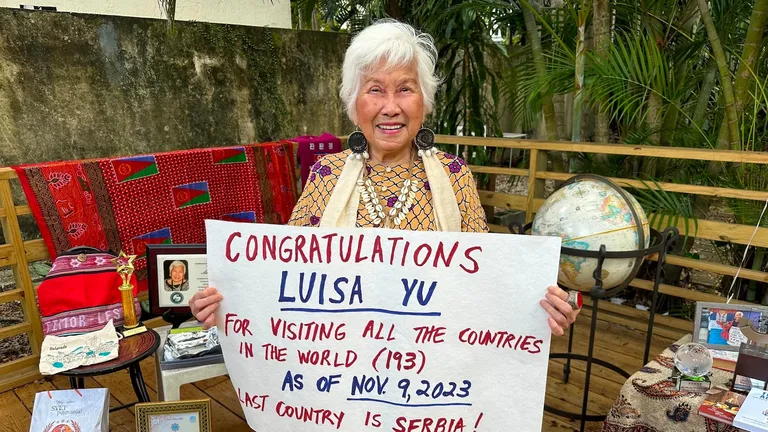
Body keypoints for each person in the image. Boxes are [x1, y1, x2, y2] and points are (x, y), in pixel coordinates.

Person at [189, 19, 582, 335]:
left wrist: (541, 308)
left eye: (405, 89)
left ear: (423, 101)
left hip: (431, 375)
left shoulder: (454, 175)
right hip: (340, 368)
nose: (390, 107)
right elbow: (288, 279)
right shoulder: (327, 174)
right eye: (375, 90)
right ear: (354, 101)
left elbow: (484, 280)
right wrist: (228, 302)